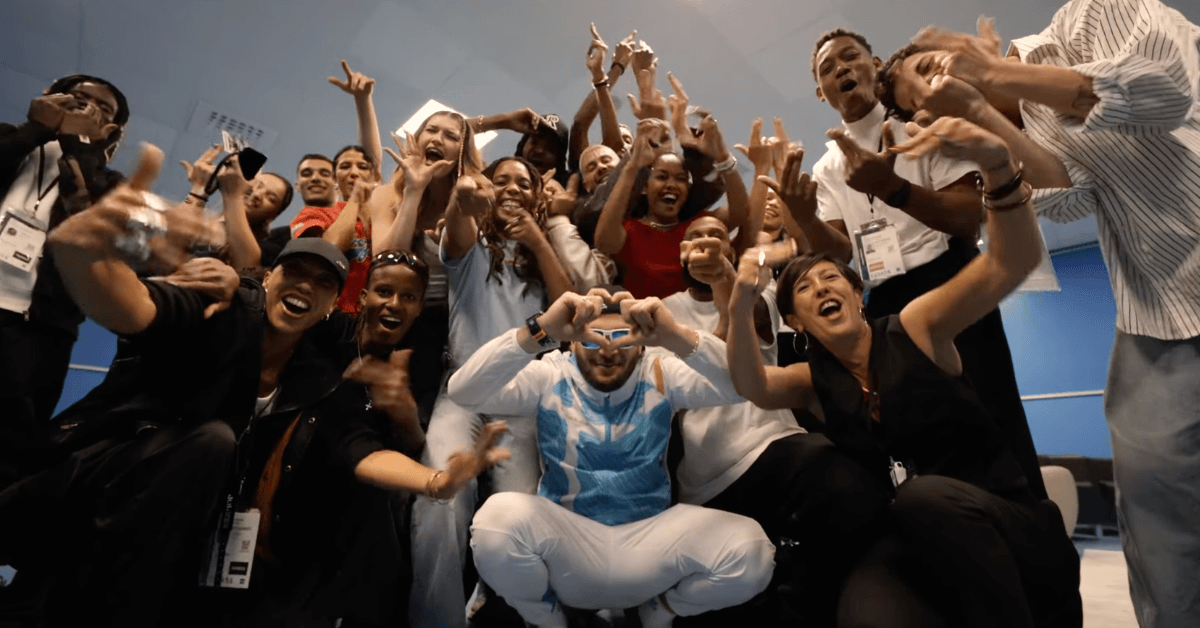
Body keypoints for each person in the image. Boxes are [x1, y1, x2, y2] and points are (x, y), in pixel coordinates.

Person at [880, 5, 1200, 624]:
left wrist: (997, 73)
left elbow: (1165, 86)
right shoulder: (1019, 121)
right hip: (1158, 310)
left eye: (927, 69)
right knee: (1160, 526)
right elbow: (1060, 196)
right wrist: (985, 130)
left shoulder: (1090, 17)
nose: (936, 88)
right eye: (923, 99)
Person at [730, 123, 1082, 627]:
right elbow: (753, 386)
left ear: (857, 296)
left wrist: (999, 169)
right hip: (915, 539)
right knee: (864, 609)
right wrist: (741, 307)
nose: (822, 287)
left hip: (1003, 519)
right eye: (805, 288)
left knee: (923, 495)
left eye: (832, 277)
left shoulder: (915, 327)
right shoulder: (814, 382)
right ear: (796, 321)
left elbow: (1012, 260)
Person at [801, 27, 1047, 499]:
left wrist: (893, 188)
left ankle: (1033, 539)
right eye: (827, 69)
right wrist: (801, 214)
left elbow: (968, 218)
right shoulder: (827, 167)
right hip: (884, 305)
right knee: (924, 434)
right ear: (820, 92)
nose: (842, 70)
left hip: (950, 279)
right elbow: (837, 253)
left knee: (990, 410)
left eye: (851, 58)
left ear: (875, 66)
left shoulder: (922, 124)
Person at [452, 289, 775, 628]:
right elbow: (463, 391)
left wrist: (675, 336)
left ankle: (660, 611)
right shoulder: (551, 373)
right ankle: (546, 620)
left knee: (753, 551)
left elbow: (744, 387)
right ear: (571, 343)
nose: (607, 351)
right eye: (591, 341)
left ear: (642, 345)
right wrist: (541, 328)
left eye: (621, 338)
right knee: (495, 520)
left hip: (649, 547)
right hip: (566, 546)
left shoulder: (661, 371)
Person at [667, 217, 888, 626]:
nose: (706, 242)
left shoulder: (759, 294)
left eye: (717, 235)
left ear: (732, 253)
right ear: (679, 252)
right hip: (710, 476)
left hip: (780, 446)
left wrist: (727, 282)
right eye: (695, 236)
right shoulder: (664, 310)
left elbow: (749, 325)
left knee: (855, 485)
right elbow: (684, 386)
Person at [408, 155, 573, 628]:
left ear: (538, 197)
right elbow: (458, 227)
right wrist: (463, 202)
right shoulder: (472, 245)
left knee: (516, 518)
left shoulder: (541, 260)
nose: (513, 188)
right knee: (440, 501)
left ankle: (496, 612)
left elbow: (568, 319)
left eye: (524, 183)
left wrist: (538, 241)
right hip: (462, 391)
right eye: (502, 181)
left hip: (522, 398)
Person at [0, 74, 129, 471]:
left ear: (112, 133)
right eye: (75, 97)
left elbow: (91, 228)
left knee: (11, 448)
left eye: (101, 109)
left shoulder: (111, 184)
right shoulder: (12, 139)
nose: (84, 106)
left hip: (41, 329)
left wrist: (84, 147)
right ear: (47, 99)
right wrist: (36, 129)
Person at [594, 107, 748, 299]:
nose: (671, 185)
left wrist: (722, 156)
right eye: (662, 176)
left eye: (681, 179)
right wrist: (633, 166)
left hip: (698, 325)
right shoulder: (630, 232)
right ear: (645, 187)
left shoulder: (698, 227)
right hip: (646, 324)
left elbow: (741, 214)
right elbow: (603, 241)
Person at [178, 145, 294, 269]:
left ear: (271, 217)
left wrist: (233, 194)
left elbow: (248, 267)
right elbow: (173, 235)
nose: (257, 195)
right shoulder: (202, 218)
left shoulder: (263, 246)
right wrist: (199, 187)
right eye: (258, 185)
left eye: (271, 198)